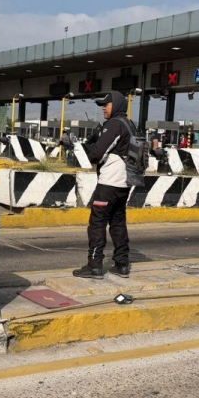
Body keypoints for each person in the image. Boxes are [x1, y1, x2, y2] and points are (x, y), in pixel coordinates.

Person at [72, 91, 136, 279]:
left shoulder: (115, 124)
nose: (103, 108)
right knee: (117, 222)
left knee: (97, 222)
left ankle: (94, 265)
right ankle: (122, 264)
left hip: (109, 182)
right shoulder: (130, 125)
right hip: (125, 182)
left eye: (106, 104)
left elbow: (96, 154)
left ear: (115, 105)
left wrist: (87, 147)